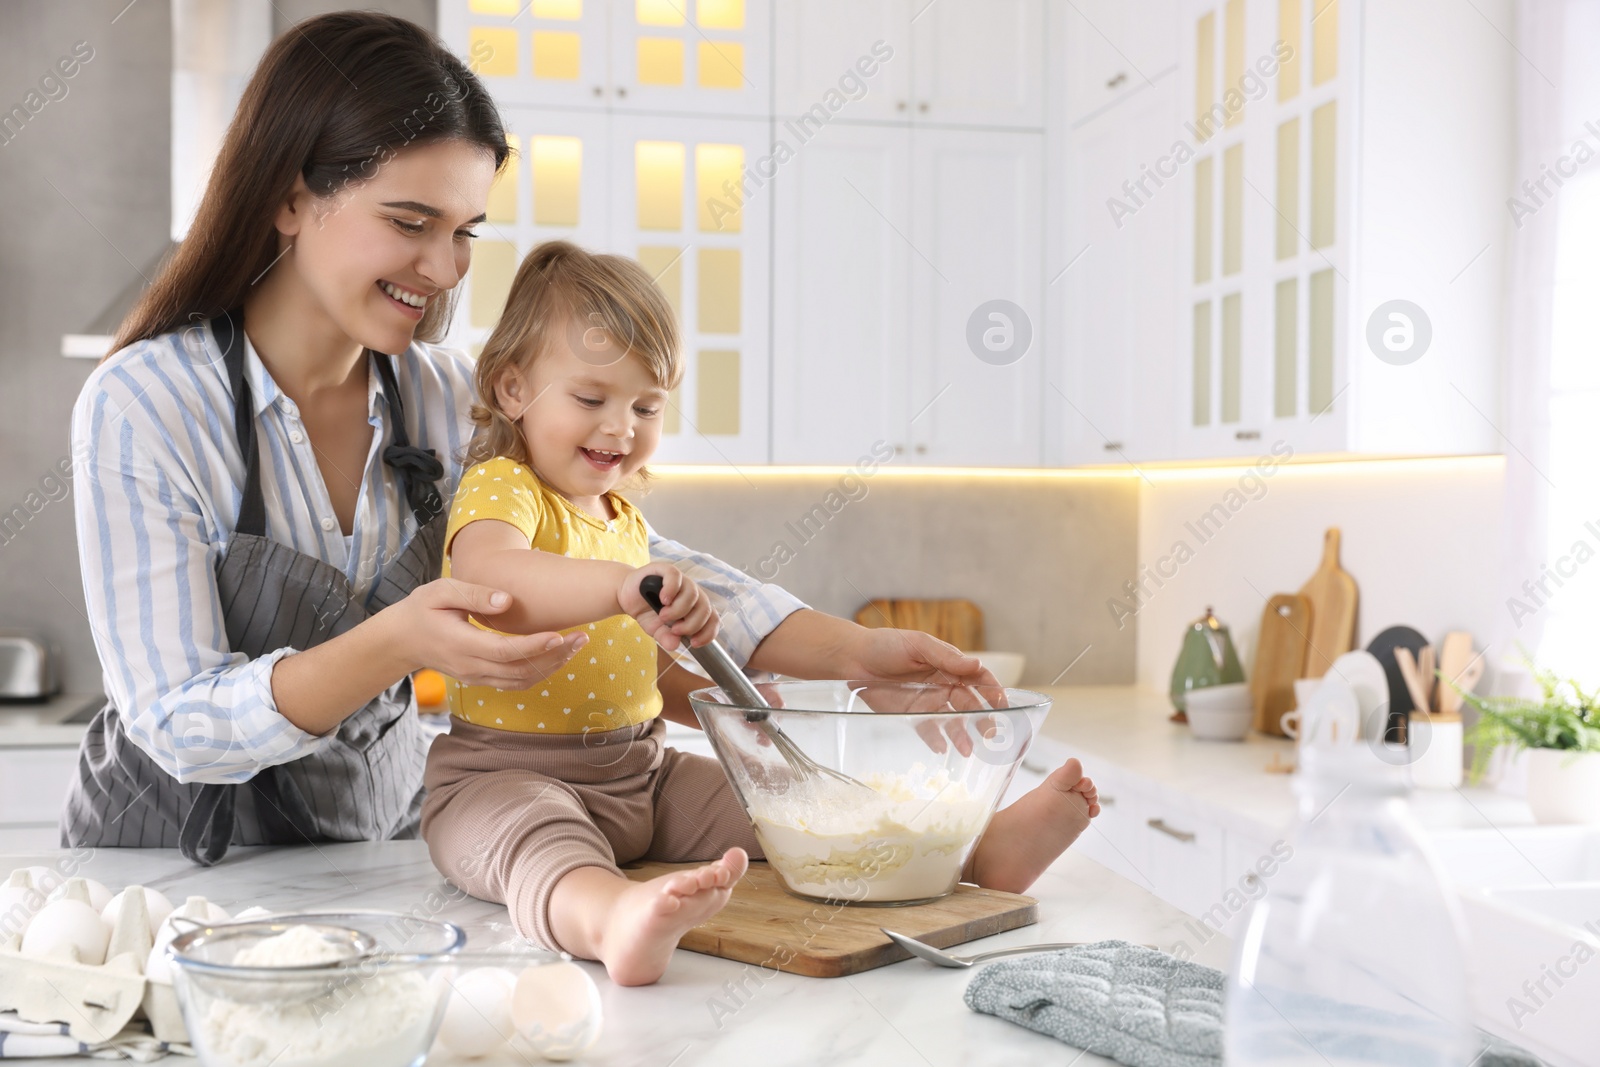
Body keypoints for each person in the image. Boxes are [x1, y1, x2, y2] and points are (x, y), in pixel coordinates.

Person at [62, 12, 1014, 863]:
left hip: (369, 857)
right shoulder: (146, 404)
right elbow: (177, 720)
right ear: (289, 196)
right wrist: (393, 641)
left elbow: (619, 555)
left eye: (467, 229)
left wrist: (848, 653)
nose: (443, 269)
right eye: (409, 222)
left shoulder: (437, 395)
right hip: (166, 870)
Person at [420, 241, 1102, 986]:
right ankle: (612, 917)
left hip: (639, 774)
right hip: (502, 776)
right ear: (512, 388)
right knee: (538, 842)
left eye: (645, 406)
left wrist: (717, 709)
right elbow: (496, 582)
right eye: (591, 399)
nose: (620, 428)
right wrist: (623, 583)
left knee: (794, 803)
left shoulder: (623, 521)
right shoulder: (502, 488)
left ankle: (975, 853)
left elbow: (632, 673)